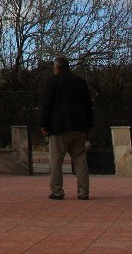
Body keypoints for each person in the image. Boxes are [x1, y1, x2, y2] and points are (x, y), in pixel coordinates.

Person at [40, 56, 94, 201]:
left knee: (56, 160)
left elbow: (48, 104)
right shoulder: (81, 82)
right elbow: (88, 105)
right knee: (80, 160)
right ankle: (83, 192)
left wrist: (44, 124)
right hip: (79, 127)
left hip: (59, 128)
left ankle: (57, 191)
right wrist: (89, 125)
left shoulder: (53, 81)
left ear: (57, 67)